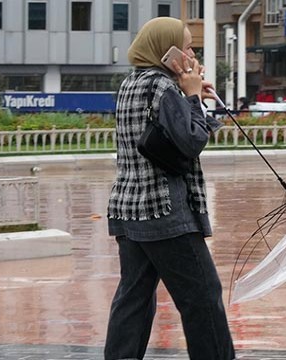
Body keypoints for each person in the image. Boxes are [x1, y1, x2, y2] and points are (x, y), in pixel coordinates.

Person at [105, 17, 235, 360]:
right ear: (167, 51)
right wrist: (191, 96)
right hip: (164, 211)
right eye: (188, 46)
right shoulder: (164, 88)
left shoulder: (131, 84)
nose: (192, 54)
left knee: (133, 300)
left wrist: (193, 99)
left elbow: (173, 136)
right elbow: (192, 142)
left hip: (129, 208)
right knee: (203, 296)